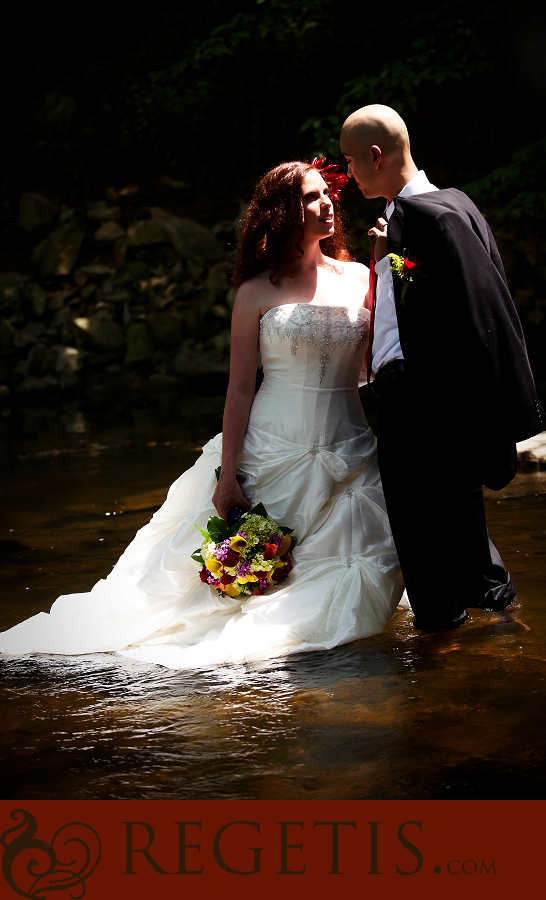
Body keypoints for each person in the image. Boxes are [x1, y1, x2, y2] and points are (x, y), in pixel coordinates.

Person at [0, 160, 403, 669]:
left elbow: (374, 365)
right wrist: (229, 473)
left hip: (351, 448)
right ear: (281, 213)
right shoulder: (255, 292)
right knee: (229, 584)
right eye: (309, 197)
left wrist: (387, 263)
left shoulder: (361, 277)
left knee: (363, 558)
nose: (327, 204)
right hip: (273, 443)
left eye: (327, 193)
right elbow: (239, 388)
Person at [340, 104, 545, 631]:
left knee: (417, 523)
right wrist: (386, 257)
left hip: (422, 397)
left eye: (350, 161)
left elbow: (484, 313)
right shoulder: (448, 206)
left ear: (376, 156)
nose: (347, 175)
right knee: (457, 515)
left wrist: (490, 407)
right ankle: (499, 616)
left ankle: (441, 630)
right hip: (429, 396)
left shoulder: (434, 217)